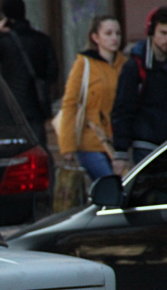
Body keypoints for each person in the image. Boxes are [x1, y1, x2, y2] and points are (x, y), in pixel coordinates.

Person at [111, 6, 167, 174]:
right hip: (147, 146)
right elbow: (123, 109)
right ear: (151, 31)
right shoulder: (135, 66)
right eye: (164, 33)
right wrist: (121, 152)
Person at [58, 15, 127, 180]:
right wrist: (67, 147)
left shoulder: (125, 64)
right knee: (110, 184)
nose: (114, 38)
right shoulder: (84, 64)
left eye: (117, 33)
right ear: (95, 37)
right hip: (90, 141)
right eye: (108, 33)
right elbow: (70, 104)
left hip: (117, 142)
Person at [0, 0, 58, 148]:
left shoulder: (3, 41)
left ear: (5, 17)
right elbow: (53, 72)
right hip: (37, 105)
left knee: (15, 150)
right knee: (39, 149)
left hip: (12, 104)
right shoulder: (42, 40)